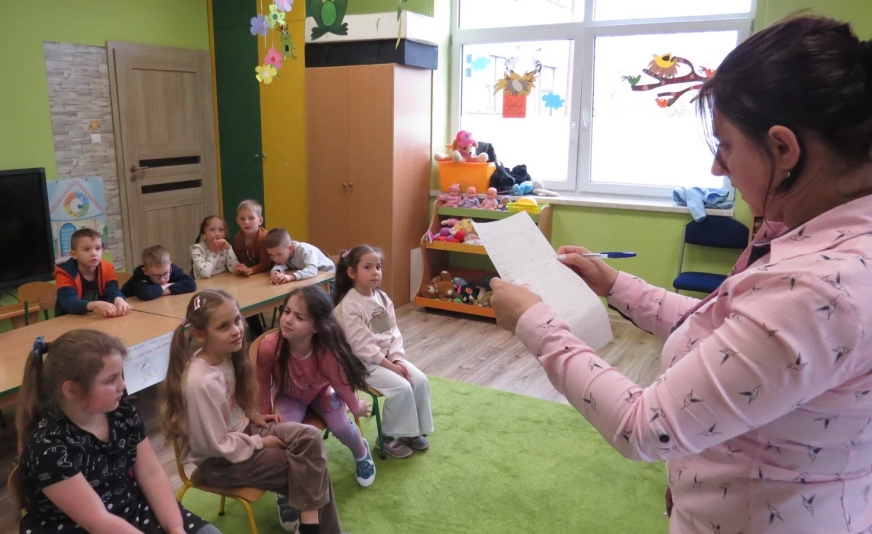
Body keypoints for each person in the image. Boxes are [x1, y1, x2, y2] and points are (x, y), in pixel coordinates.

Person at [490, 16, 872, 534]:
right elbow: (724, 332)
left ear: (784, 148)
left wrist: (535, 322)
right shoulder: (819, 241)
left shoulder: (820, 288)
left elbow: (644, 427)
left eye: (727, 145)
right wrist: (613, 284)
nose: (718, 167)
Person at [160, 289, 346, 534]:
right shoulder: (199, 383)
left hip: (243, 436)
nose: (236, 330)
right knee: (308, 466)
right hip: (221, 463)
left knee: (309, 438)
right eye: (224, 326)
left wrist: (252, 415)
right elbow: (214, 446)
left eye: (237, 320)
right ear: (199, 334)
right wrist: (260, 442)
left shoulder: (223, 356)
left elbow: (230, 403)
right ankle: (317, 530)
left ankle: (309, 528)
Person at [16, 329, 220, 534]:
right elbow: (98, 521)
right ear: (71, 390)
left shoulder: (123, 414)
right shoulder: (49, 448)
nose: (123, 385)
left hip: (131, 510)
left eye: (120, 375)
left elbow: (152, 474)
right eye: (111, 380)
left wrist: (176, 528)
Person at [257, 285, 376, 486]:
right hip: (289, 396)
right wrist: (263, 415)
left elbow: (340, 384)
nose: (288, 320)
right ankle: (285, 482)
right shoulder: (270, 347)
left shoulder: (326, 352)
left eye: (299, 317)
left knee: (342, 427)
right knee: (284, 435)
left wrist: (356, 407)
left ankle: (361, 451)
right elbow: (261, 384)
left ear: (316, 327)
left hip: (322, 392)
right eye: (287, 311)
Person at [333, 245, 433, 459]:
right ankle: (386, 437)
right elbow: (362, 347)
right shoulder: (349, 305)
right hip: (361, 364)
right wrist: (391, 366)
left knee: (420, 380)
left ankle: (411, 431)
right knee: (402, 387)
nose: (375, 272)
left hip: (386, 359)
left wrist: (397, 359)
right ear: (352, 272)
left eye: (378, 267)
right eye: (367, 267)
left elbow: (392, 333)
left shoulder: (381, 298)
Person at [54, 228, 131, 317]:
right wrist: (95, 305)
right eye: (87, 249)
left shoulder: (107, 268)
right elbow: (70, 303)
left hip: (96, 316)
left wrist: (118, 298)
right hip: (69, 318)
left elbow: (113, 290)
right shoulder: (64, 273)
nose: (94, 253)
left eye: (97, 248)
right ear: (74, 255)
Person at [231, 199, 272, 337]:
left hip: (267, 275)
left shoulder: (264, 238)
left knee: (252, 299)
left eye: (251, 218)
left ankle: (259, 334)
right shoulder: (239, 237)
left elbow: (266, 263)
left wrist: (252, 270)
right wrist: (244, 266)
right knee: (244, 298)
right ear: (237, 221)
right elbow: (242, 256)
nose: (246, 222)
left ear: (260, 220)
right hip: (253, 276)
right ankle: (255, 333)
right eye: (242, 219)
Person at [121, 245, 196, 301]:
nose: (162, 280)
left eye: (166, 274)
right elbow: (145, 294)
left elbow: (191, 284)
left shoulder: (170, 268)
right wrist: (167, 286)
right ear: (145, 271)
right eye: (156, 276)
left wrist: (158, 291)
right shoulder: (139, 273)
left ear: (170, 265)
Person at [264, 229, 335, 285]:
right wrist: (276, 273)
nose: (275, 259)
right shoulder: (284, 253)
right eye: (271, 255)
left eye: (279, 254)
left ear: (291, 248)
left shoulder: (305, 250)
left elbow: (312, 270)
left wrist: (291, 277)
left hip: (329, 279)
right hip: (312, 279)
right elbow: (280, 265)